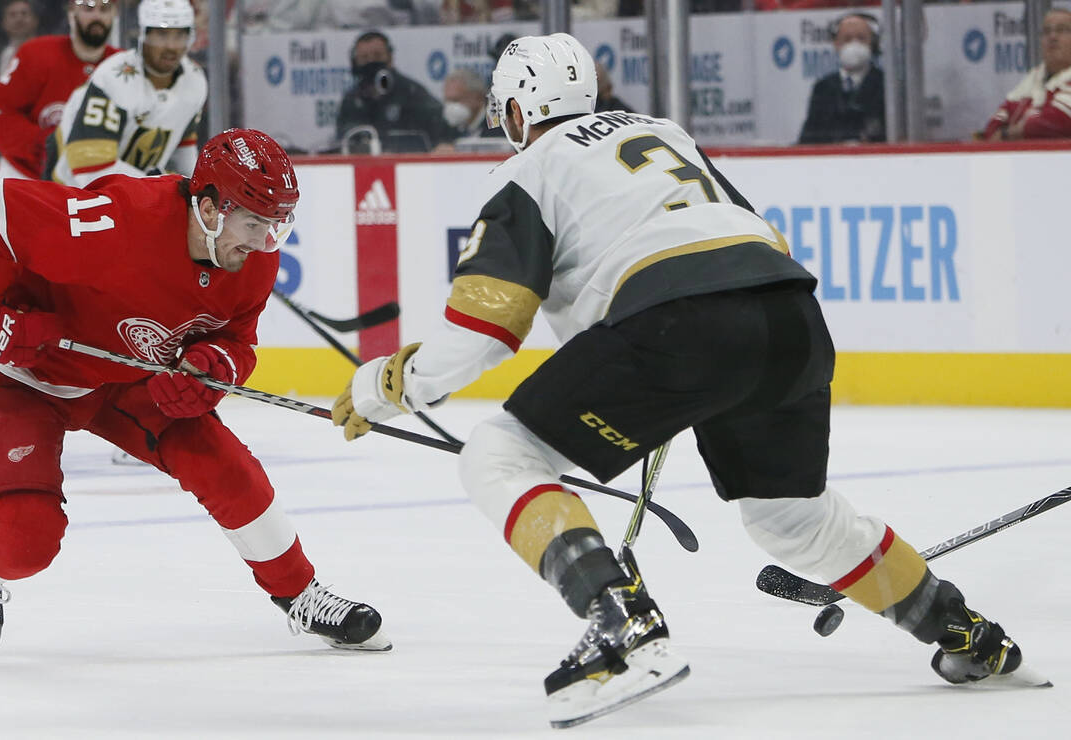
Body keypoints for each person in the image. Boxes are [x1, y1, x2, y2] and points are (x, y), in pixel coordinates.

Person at [332, 32, 1040, 727]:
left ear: (516, 110)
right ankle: (966, 633)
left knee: (498, 455)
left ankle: (621, 626)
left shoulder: (529, 169)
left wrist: (384, 387)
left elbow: (484, 333)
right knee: (792, 518)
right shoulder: (663, 132)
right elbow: (750, 236)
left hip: (676, 327)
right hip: (788, 314)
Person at [0, 127, 390, 655]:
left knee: (225, 466)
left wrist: (211, 368)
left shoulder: (253, 259)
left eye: (277, 228)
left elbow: (237, 342)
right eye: (254, 225)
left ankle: (300, 594)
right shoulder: (118, 222)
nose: (263, 244)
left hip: (127, 377)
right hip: (25, 376)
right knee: (25, 540)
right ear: (208, 209)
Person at [49, 0, 206, 186]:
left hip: (137, 196)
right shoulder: (114, 78)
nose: (171, 46)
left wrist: (194, 190)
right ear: (143, 34)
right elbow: (90, 167)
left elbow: (182, 148)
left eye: (180, 35)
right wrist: (157, 186)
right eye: (162, 35)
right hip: (71, 192)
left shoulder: (194, 80)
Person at [0, 0, 121, 180]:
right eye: (88, 8)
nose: (97, 16)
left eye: (105, 9)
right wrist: (45, 144)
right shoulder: (36, 54)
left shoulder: (122, 68)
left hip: (90, 184)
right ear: (72, 11)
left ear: (114, 14)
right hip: (26, 179)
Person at [335, 30, 455, 153]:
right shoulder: (352, 100)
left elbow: (442, 133)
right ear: (355, 62)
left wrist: (443, 144)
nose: (371, 62)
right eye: (364, 58)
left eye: (377, 56)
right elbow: (344, 138)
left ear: (390, 58)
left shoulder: (412, 93)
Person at [981, 7, 1071, 141]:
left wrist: (1007, 134)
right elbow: (994, 125)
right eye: (1046, 31)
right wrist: (1019, 129)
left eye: (1061, 30)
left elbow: (1056, 122)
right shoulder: (1035, 76)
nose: (1053, 37)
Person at [798, 12, 885, 144]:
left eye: (861, 38)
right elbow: (807, 139)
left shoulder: (887, 86)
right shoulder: (822, 88)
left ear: (872, 43)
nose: (854, 45)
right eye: (847, 39)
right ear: (836, 44)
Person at [440, 67, 498, 139]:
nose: (450, 107)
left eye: (456, 100)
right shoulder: (447, 129)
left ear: (477, 98)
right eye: (447, 101)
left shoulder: (497, 125)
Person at [0, 0, 39, 77]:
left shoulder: (45, 51)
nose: (19, 19)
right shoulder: (5, 55)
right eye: (12, 15)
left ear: (35, 20)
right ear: (4, 23)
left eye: (24, 13)